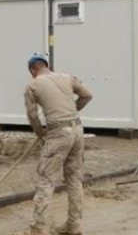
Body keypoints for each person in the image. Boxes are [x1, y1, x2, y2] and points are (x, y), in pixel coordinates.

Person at [22, 53, 93, 235]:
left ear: (32, 70)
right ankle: (74, 225)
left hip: (58, 134)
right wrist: (72, 112)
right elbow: (87, 95)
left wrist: (40, 132)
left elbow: (32, 115)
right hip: (77, 130)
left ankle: (37, 229)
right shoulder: (67, 77)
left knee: (46, 180)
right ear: (47, 66)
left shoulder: (33, 85)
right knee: (74, 179)